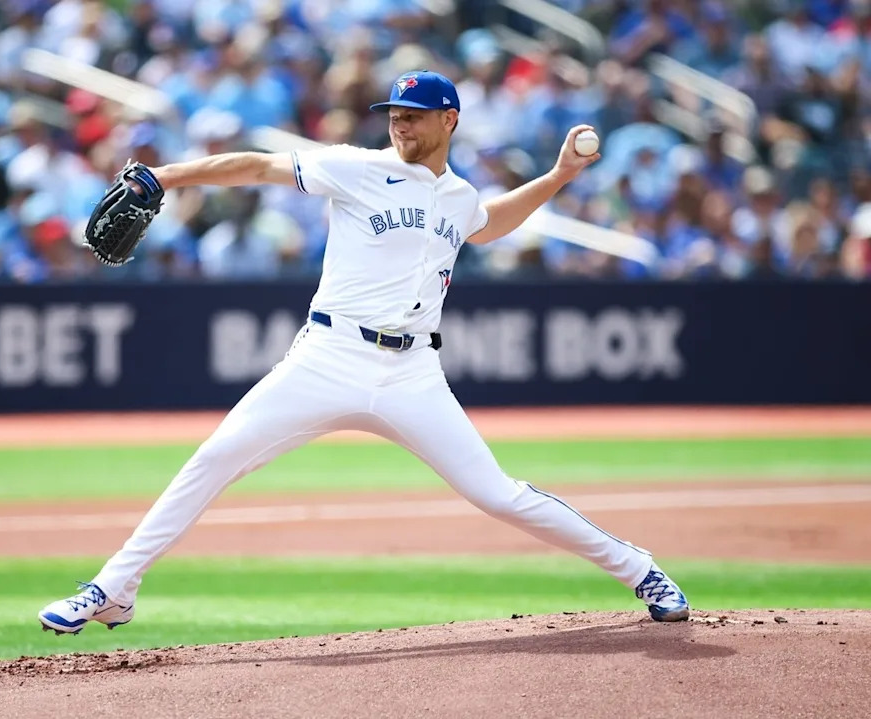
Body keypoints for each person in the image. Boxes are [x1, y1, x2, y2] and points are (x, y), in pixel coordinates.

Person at [37, 71, 689, 635]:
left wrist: (558, 175)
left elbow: (490, 224)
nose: (400, 124)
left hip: (412, 372)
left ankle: (641, 568)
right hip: (328, 355)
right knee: (215, 457)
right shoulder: (356, 167)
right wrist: (166, 176)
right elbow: (259, 165)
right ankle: (112, 588)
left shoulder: (458, 197)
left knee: (498, 494)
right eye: (394, 115)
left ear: (449, 120)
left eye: (412, 116)